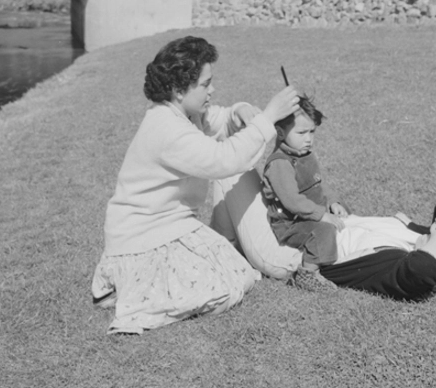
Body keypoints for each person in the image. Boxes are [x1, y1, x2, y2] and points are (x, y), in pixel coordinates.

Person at [91, 35, 301, 335]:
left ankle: (151, 279)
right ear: (179, 89)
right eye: (205, 84)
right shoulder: (167, 129)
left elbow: (218, 119)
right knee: (225, 288)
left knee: (237, 272)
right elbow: (223, 160)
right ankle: (132, 288)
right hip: (144, 238)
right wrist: (269, 117)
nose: (211, 90)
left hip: (169, 227)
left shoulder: (183, 113)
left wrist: (240, 110)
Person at [212, 167, 436, 302]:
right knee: (241, 160)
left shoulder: (404, 275)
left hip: (286, 252)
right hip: (301, 225)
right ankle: (228, 249)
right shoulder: (425, 238)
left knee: (229, 168)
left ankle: (223, 254)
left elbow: (425, 267)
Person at [260, 95, 349, 292]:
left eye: (312, 132)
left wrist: (333, 202)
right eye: (301, 132)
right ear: (280, 132)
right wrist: (322, 215)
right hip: (292, 223)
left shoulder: (303, 153)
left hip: (310, 212)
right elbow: (292, 201)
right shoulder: (280, 163)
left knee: (344, 213)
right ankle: (308, 274)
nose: (308, 139)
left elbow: (318, 184)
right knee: (322, 231)